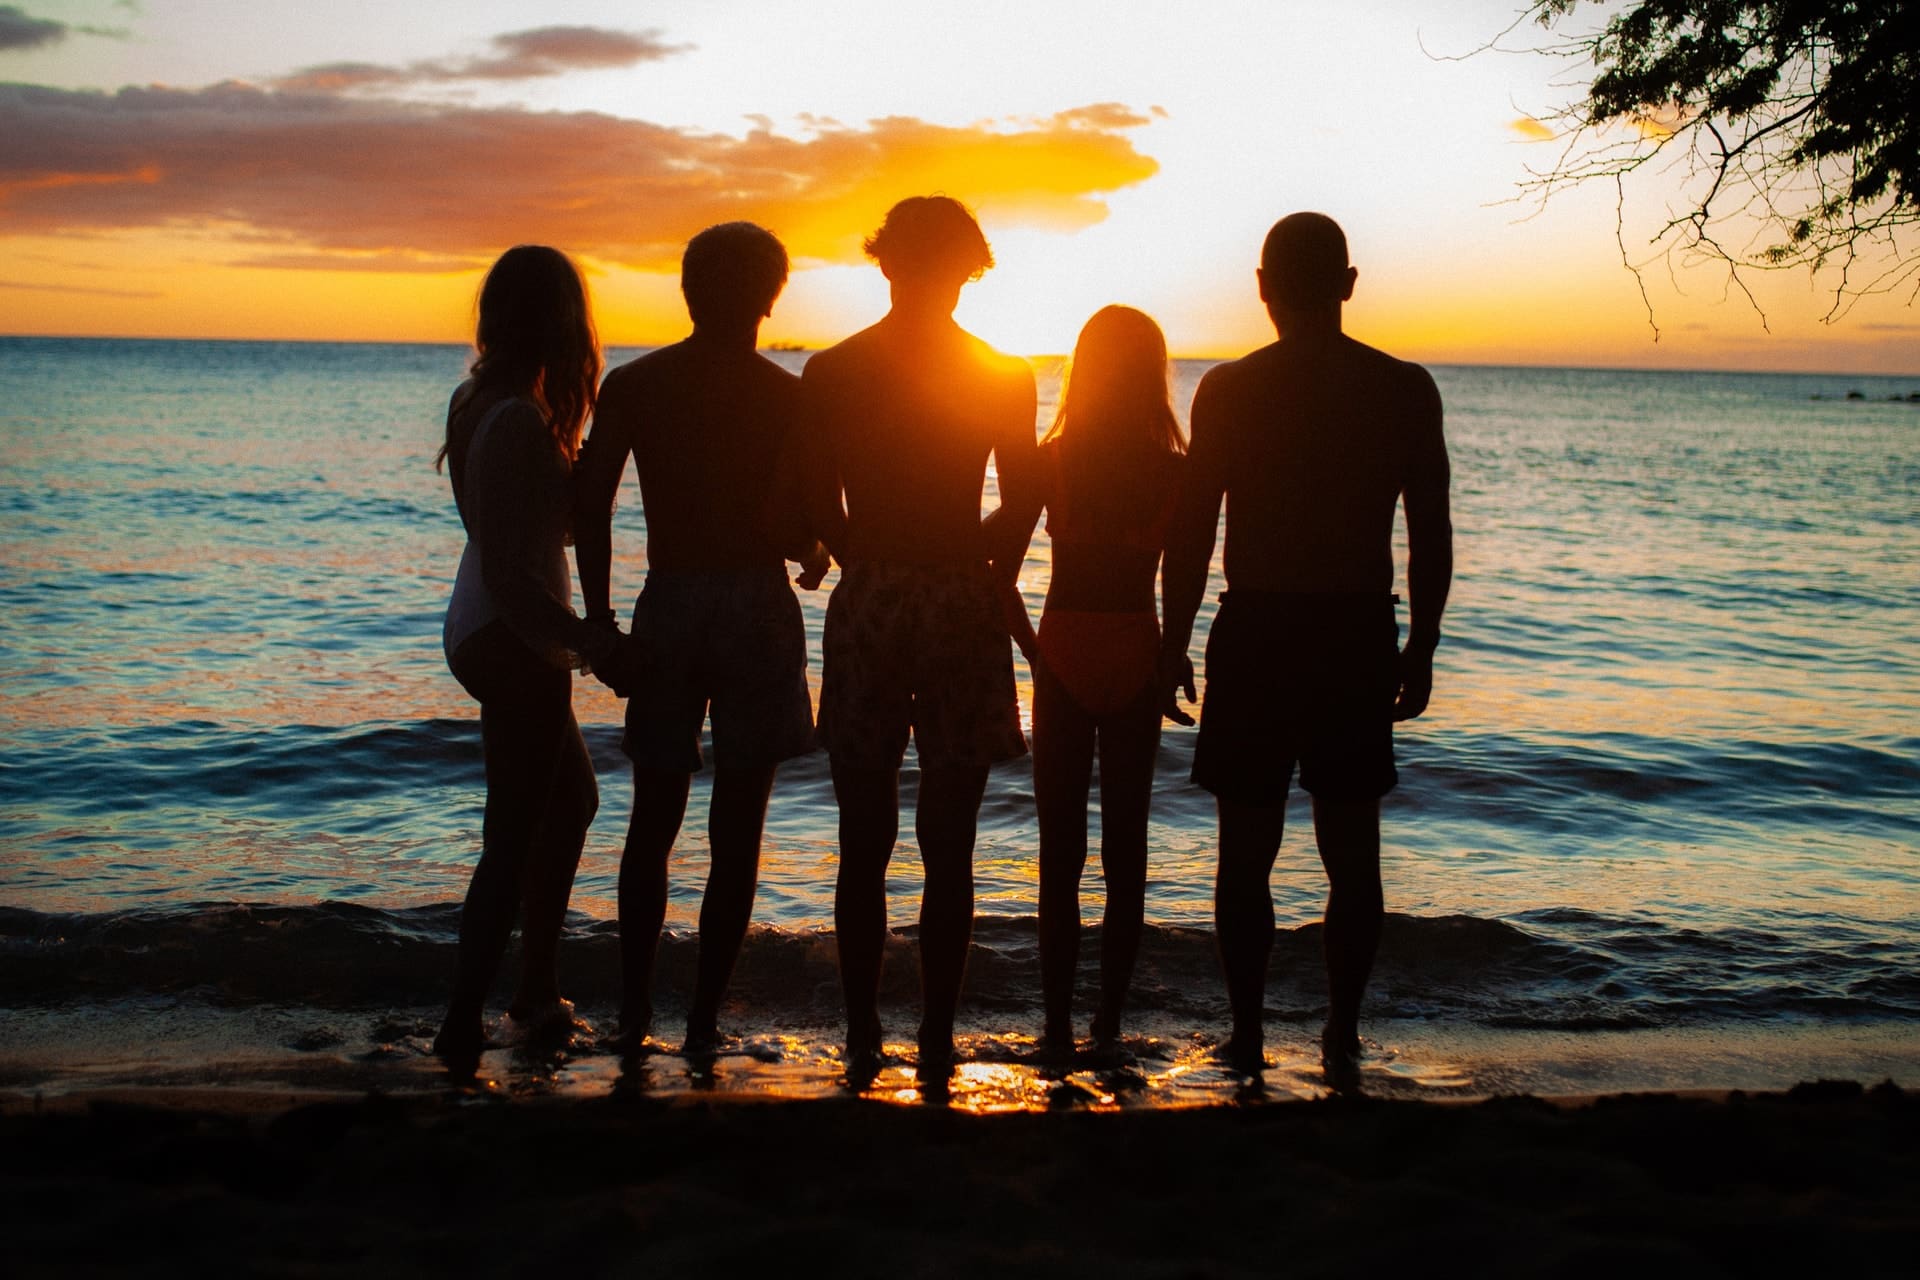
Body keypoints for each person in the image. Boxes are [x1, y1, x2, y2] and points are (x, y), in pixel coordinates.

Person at [1159, 212, 1453, 1085]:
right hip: (1354, 630)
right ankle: (1342, 1032)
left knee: (1243, 855)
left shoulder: (1229, 390)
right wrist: (1423, 643)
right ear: (1350, 284)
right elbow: (1431, 533)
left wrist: (1173, 639)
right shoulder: (1403, 389)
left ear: (1262, 286)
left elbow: (1191, 534)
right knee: (1350, 850)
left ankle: (1247, 1035)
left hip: (1256, 632)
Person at [800, 196, 1041, 1080]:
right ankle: (935, 1039)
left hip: (872, 597)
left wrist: (863, 548)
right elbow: (1023, 496)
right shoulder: (1001, 373)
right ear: (968, 265)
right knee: (952, 840)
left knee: (865, 838)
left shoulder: (831, 371)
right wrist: (980, 557)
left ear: (886, 261)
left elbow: (813, 498)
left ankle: (865, 1036)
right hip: (957, 597)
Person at [573, 222, 828, 1054]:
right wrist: (817, 551)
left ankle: (636, 1014)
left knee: (653, 821)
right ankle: (704, 1025)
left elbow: (590, 506)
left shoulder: (640, 385)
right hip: (756, 605)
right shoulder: (787, 398)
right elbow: (792, 522)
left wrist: (600, 622)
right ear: (769, 296)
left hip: (672, 601)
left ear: (687, 289)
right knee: (737, 835)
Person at [435, 244, 619, 1070]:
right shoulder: (512, 418)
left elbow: (504, 534)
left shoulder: (481, 399)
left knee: (571, 799)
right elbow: (513, 570)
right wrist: (587, 639)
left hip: (485, 623)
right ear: (559, 317)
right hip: (510, 632)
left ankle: (533, 988)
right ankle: (463, 1021)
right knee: (509, 838)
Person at [994, 306, 1185, 1060]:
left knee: (1060, 855)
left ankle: (1057, 1027)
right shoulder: (1176, 470)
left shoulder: (1053, 459)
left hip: (1066, 651)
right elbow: (1182, 582)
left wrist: (1036, 655)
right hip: (1136, 648)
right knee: (1126, 851)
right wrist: (1171, 652)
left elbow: (997, 577)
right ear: (1152, 376)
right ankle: (1108, 1023)